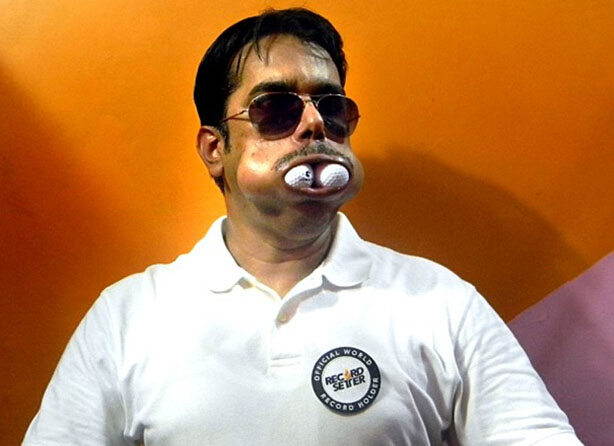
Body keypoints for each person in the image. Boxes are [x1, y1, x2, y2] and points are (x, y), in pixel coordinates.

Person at [23, 8, 584, 446]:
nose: (315, 123)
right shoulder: (127, 317)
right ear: (215, 148)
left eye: (331, 106)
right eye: (275, 108)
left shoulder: (440, 302)